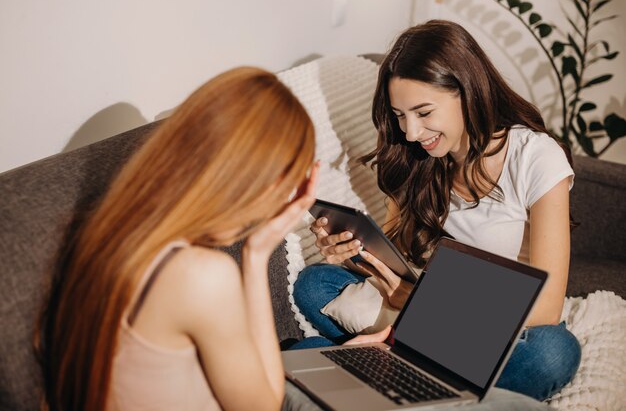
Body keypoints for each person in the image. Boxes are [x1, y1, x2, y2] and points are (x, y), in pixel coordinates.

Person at [293, 20, 581, 401]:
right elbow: (399, 261)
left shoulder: (536, 157)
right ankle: (416, 374)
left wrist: (420, 304)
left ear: (468, 92)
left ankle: (384, 365)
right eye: (399, 115)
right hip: (416, 310)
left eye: (424, 112)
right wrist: (352, 255)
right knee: (314, 284)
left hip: (499, 327)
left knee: (554, 352)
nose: (411, 132)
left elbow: (546, 310)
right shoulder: (413, 158)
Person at [35, 67, 336, 411]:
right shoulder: (200, 274)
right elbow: (263, 407)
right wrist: (256, 256)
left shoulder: (107, 232)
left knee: (324, 356)